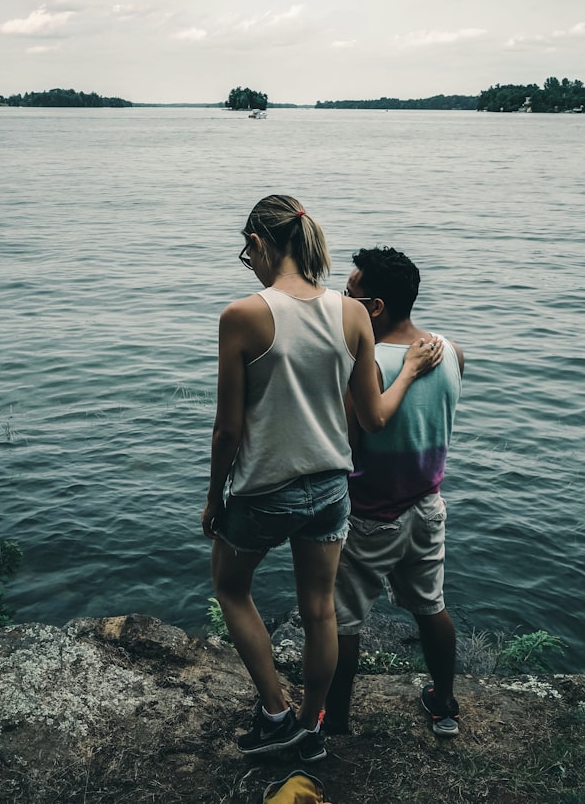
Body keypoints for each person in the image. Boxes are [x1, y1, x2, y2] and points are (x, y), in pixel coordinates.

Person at [201, 197, 443, 763]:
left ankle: (276, 711)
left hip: (265, 490)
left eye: (247, 252)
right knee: (320, 610)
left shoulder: (243, 315)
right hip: (333, 489)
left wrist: (214, 499)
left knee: (231, 588)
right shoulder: (352, 313)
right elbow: (373, 417)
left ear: (259, 244)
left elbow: (227, 432)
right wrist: (407, 370)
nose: (248, 262)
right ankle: (312, 726)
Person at [325, 245, 465, 737]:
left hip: (368, 514)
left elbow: (348, 440)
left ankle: (336, 720)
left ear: (375, 307)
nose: (343, 301)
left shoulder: (365, 365)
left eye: (349, 293)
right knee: (431, 606)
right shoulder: (451, 352)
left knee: (342, 620)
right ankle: (444, 705)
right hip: (427, 506)